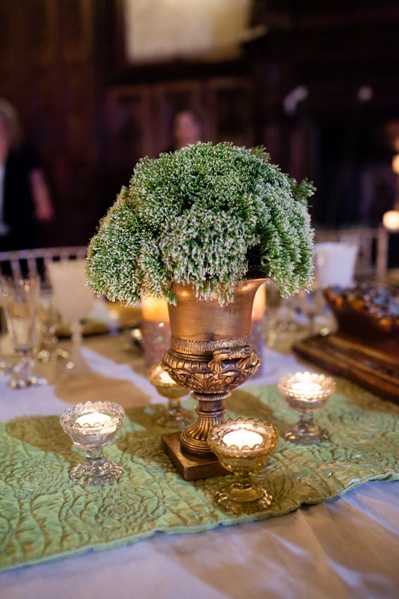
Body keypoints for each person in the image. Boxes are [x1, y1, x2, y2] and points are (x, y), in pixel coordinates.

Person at [0, 99, 54, 251]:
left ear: (10, 129)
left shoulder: (25, 156)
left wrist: (42, 206)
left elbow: (43, 205)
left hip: (21, 237)